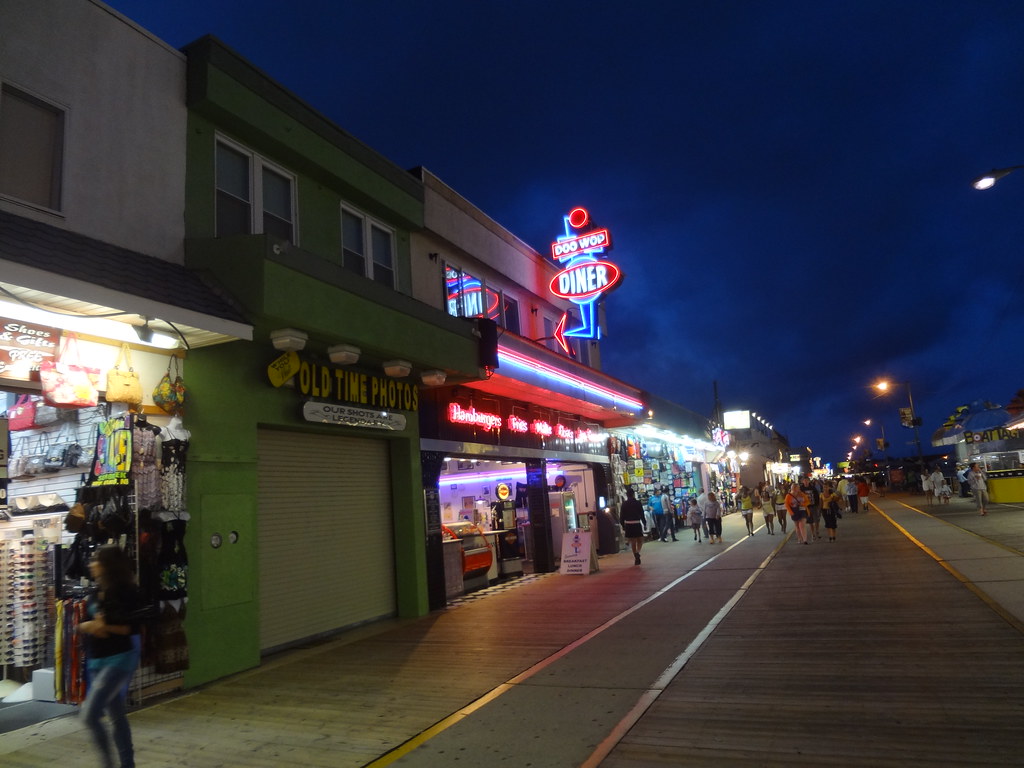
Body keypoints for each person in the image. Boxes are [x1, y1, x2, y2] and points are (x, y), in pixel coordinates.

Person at [77, 544, 141, 768]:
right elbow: (85, 624)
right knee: (116, 716)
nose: (91, 564)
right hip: (97, 659)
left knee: (89, 715)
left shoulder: (126, 591)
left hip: (119, 659)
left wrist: (103, 626)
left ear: (107, 565)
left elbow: (128, 629)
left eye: (95, 560)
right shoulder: (96, 592)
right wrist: (94, 626)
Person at [619, 487, 648, 564]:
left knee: (633, 541)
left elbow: (621, 516)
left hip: (628, 524)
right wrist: (644, 523)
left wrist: (623, 525)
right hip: (636, 523)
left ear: (627, 495)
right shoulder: (638, 503)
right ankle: (638, 552)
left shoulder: (624, 504)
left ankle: (635, 554)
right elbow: (641, 514)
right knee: (640, 539)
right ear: (633, 494)